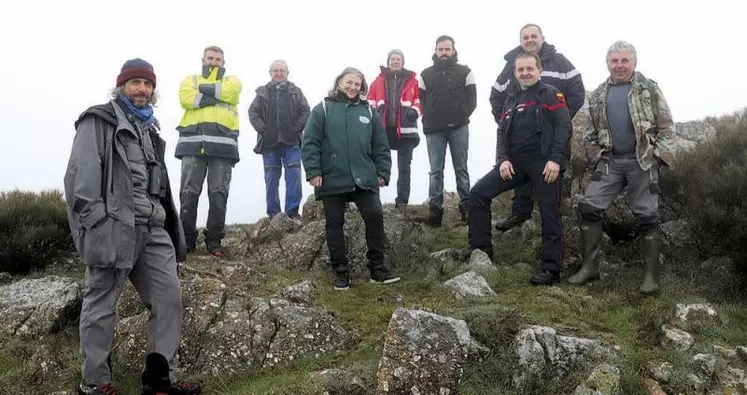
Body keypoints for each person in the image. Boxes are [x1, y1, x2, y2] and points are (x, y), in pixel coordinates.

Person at [64, 58, 201, 395]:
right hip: (114, 227)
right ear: (121, 85)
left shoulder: (149, 130)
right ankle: (95, 382)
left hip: (153, 229)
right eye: (136, 83)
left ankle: (158, 379)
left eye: (148, 84)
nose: (142, 89)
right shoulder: (98, 120)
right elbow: (80, 177)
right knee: (101, 305)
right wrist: (97, 224)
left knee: (169, 297)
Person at [567, 40, 676, 294]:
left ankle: (651, 278)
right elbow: (589, 133)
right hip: (611, 163)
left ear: (634, 63)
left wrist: (658, 158)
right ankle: (589, 268)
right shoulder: (598, 94)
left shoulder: (648, 89)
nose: (619, 66)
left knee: (648, 216)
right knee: (589, 207)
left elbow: (667, 127)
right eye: (614, 61)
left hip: (642, 161)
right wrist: (597, 156)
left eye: (624, 60)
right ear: (608, 64)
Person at [468, 51, 569, 285]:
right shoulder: (511, 100)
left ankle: (551, 270)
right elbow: (502, 132)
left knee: (549, 213)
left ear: (539, 71)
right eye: (520, 69)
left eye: (529, 69)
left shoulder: (551, 95)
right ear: (514, 73)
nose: (525, 73)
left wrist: (556, 159)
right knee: (477, 194)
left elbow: (564, 127)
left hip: (544, 164)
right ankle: (480, 250)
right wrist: (503, 159)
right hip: (514, 164)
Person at [301, 66, 399, 290]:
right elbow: (310, 142)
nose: (353, 87)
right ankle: (341, 273)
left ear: (362, 87)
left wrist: (383, 172)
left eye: (357, 84)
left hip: (364, 177)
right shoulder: (323, 109)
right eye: (349, 82)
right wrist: (314, 171)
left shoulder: (369, 112)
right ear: (339, 83)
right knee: (334, 223)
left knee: (374, 215)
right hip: (331, 177)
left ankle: (377, 270)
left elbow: (381, 146)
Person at [490, 23, 585, 231]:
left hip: (553, 134)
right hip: (521, 137)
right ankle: (520, 215)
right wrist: (507, 123)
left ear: (542, 38)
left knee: (552, 176)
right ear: (521, 41)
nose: (530, 40)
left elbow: (578, 92)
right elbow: (496, 95)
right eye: (526, 37)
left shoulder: (560, 62)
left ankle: (552, 218)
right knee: (520, 174)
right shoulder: (511, 66)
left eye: (534, 36)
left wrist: (562, 120)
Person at [175, 46, 242, 257]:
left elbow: (230, 93)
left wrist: (203, 92)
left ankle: (214, 241)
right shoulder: (189, 80)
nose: (214, 62)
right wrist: (217, 94)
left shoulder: (233, 81)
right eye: (210, 58)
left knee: (218, 194)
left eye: (218, 59)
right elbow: (187, 99)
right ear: (203, 59)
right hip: (192, 144)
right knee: (188, 194)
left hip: (223, 147)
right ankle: (186, 241)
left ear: (223, 62)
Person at [414, 35, 477, 226]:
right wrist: (430, 118)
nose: (444, 53)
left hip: (459, 127)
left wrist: (460, 116)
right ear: (435, 51)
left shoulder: (465, 72)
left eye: (447, 49)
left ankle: (467, 208)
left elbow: (472, 101)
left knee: (461, 169)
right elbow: (421, 100)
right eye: (440, 49)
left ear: (453, 51)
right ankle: (435, 213)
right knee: (436, 171)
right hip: (434, 130)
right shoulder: (425, 74)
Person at [249, 59, 310, 219]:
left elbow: (305, 111)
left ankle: (292, 213)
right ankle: (274, 215)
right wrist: (264, 130)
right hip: (269, 143)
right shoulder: (262, 92)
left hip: (292, 143)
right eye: (275, 70)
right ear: (270, 73)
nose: (279, 73)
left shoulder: (296, 91)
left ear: (287, 73)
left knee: (294, 176)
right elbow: (253, 113)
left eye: (282, 70)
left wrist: (296, 128)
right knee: (271, 179)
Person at [366, 49, 422, 213]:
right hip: (383, 130)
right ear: (388, 62)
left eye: (398, 59)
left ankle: (402, 204)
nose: (395, 61)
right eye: (392, 59)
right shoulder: (377, 81)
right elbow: (369, 102)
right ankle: (372, 201)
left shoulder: (413, 82)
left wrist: (414, 112)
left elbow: (420, 101)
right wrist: (374, 117)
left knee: (404, 168)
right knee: (378, 165)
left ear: (402, 62)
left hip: (407, 131)